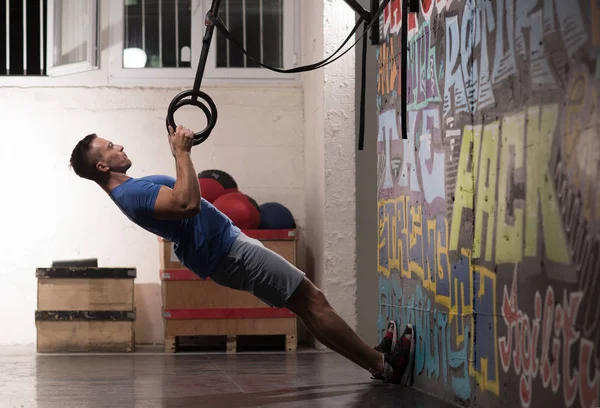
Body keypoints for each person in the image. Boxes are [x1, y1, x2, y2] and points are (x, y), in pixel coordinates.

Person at [68, 124, 413, 384]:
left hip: (225, 247)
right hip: (228, 251)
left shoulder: (129, 190)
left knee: (304, 305)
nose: (120, 146)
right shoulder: (131, 194)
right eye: (110, 146)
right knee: (313, 298)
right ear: (101, 166)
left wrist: (181, 157)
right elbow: (187, 204)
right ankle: (384, 366)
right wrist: (183, 155)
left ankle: (374, 362)